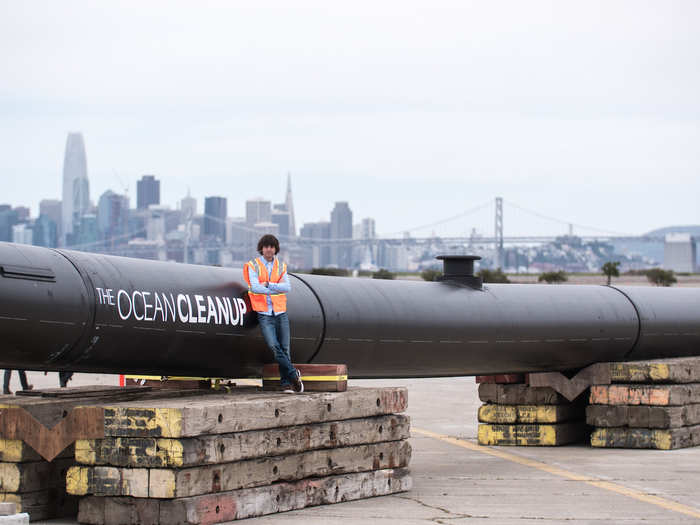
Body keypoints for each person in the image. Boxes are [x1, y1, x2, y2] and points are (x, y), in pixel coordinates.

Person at [243, 234, 303, 393]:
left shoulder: (281, 266)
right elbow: (255, 287)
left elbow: (287, 287)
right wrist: (275, 288)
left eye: (272, 246)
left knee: (285, 348)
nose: (269, 249)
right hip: (264, 313)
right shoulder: (253, 265)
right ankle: (293, 373)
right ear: (261, 249)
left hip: (280, 312)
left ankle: (286, 384)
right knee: (274, 346)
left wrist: (269, 285)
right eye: (266, 246)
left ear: (275, 249)